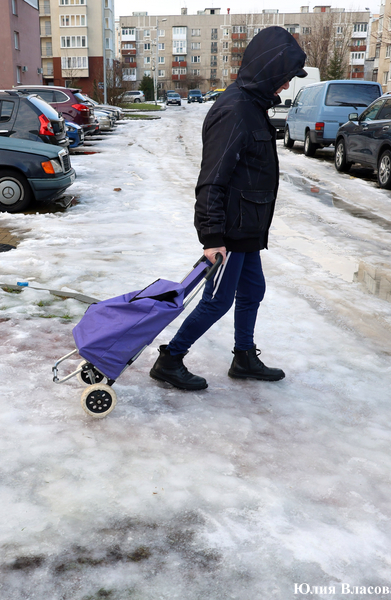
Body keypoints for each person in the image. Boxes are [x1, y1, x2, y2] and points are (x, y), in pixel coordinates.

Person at [150, 26, 307, 391]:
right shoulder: (235, 110)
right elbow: (212, 179)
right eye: (283, 78)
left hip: (247, 227)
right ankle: (170, 359)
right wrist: (212, 236)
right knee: (217, 301)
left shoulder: (251, 106)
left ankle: (244, 357)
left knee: (252, 292)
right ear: (269, 71)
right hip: (230, 231)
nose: (285, 87)